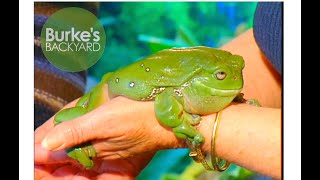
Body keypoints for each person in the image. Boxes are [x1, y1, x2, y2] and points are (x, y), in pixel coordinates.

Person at [35, 2, 282, 180]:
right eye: (222, 75)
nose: (237, 79)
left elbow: (165, 107)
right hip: (112, 92)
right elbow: (276, 43)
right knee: (64, 131)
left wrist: (195, 129)